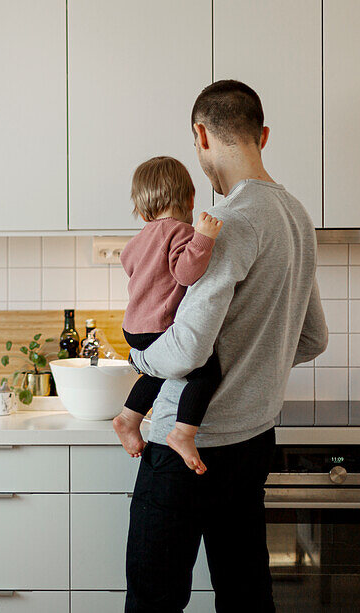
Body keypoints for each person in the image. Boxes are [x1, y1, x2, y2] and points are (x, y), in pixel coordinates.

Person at [124, 80, 328, 613]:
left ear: (201, 135)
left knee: (154, 600)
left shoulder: (232, 222)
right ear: (262, 135)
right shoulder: (297, 218)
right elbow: (313, 337)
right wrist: (254, 364)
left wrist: (139, 358)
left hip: (185, 450)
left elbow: (188, 350)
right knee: (245, 596)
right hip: (252, 441)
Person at [112, 156, 224, 474]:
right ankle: (183, 433)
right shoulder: (179, 231)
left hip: (134, 328)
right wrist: (204, 237)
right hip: (159, 326)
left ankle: (128, 418)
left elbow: (134, 268)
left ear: (142, 204)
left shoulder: (136, 242)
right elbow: (186, 272)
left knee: (156, 373)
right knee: (205, 371)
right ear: (189, 197)